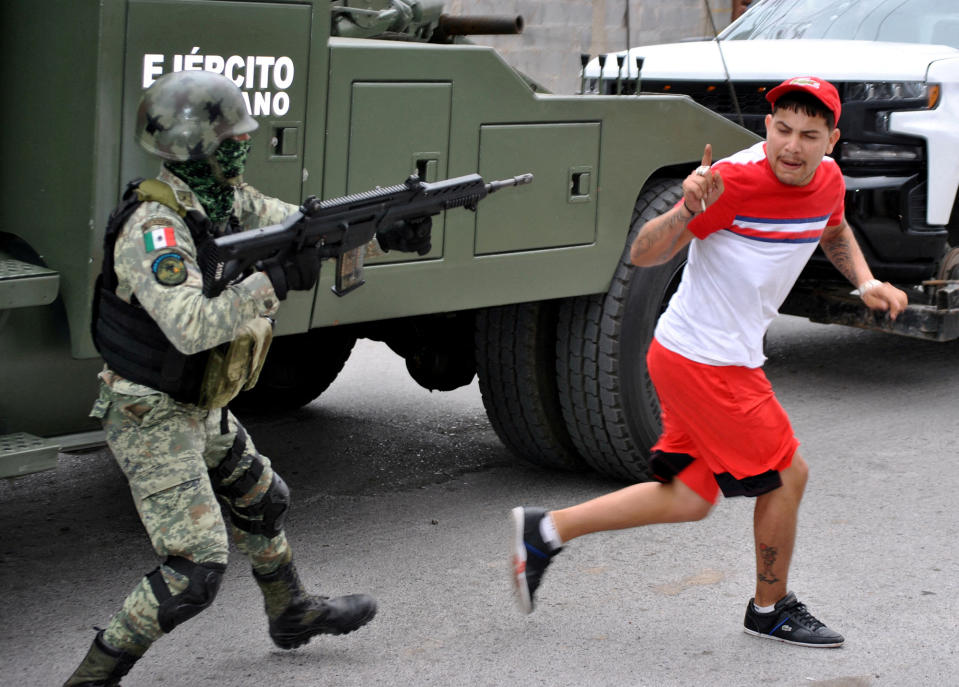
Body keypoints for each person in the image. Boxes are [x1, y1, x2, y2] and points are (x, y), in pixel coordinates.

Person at [510, 76, 908, 648]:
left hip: (707, 355)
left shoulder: (827, 181)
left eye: (809, 135)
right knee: (787, 473)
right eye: (782, 130)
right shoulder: (733, 182)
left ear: (832, 140)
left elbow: (834, 226)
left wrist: (866, 281)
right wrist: (686, 207)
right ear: (767, 126)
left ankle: (544, 531)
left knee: (690, 499)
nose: (791, 146)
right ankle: (771, 608)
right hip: (704, 359)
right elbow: (645, 252)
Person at [64, 70, 428, 686]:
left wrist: (381, 228)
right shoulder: (154, 227)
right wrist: (274, 282)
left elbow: (300, 225)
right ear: (194, 146)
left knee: (263, 500)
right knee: (193, 572)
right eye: (231, 137)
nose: (245, 145)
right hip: (149, 412)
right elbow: (190, 325)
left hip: (199, 401)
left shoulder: (227, 200)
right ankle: (89, 678)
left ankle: (290, 613)